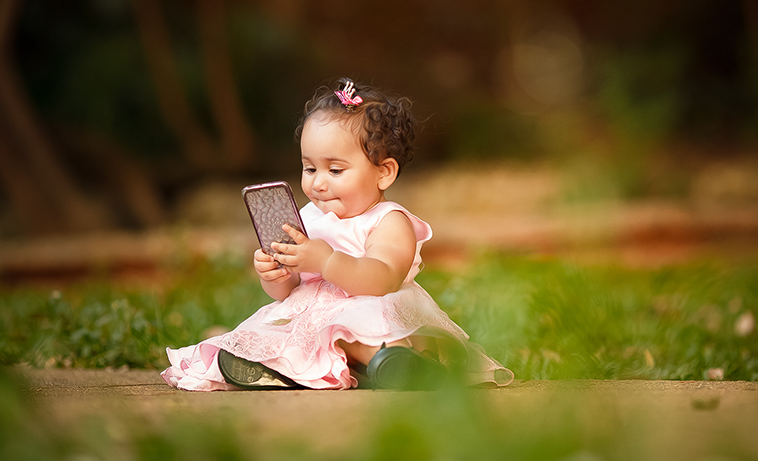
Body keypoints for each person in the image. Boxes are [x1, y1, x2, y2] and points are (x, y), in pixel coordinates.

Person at [162, 78, 514, 391]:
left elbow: (384, 278)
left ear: (383, 173)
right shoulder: (307, 217)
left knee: (351, 332)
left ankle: (391, 364)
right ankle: (272, 367)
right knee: (276, 333)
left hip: (372, 311)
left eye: (335, 169)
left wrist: (326, 259)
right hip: (309, 315)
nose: (317, 182)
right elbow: (290, 289)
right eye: (309, 168)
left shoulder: (389, 221)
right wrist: (277, 274)